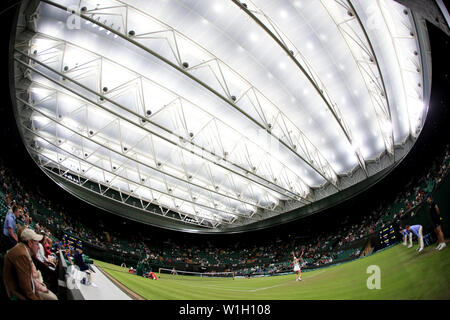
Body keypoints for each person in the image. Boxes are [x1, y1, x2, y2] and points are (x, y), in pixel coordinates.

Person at [2, 228, 45, 300]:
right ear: (30, 243)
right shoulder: (22, 255)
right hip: (15, 295)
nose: (38, 247)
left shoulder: (23, 250)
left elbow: (30, 283)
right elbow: (26, 288)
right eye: (37, 244)